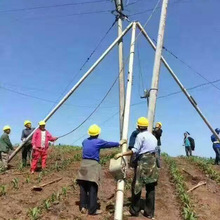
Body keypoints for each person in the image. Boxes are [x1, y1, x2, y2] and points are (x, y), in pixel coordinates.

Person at [77, 124, 125, 215]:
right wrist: (119, 143)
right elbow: (108, 144)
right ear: (98, 134)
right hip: (92, 165)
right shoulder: (98, 142)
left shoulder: (84, 141)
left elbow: (85, 145)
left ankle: (83, 206)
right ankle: (92, 210)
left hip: (83, 164)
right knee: (93, 187)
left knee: (83, 187)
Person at [115, 117, 158, 219]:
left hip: (143, 162)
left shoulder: (140, 136)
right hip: (152, 162)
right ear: (146, 126)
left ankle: (134, 211)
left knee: (136, 186)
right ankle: (149, 213)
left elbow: (134, 150)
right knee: (150, 188)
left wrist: (121, 154)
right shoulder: (153, 137)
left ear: (138, 126)